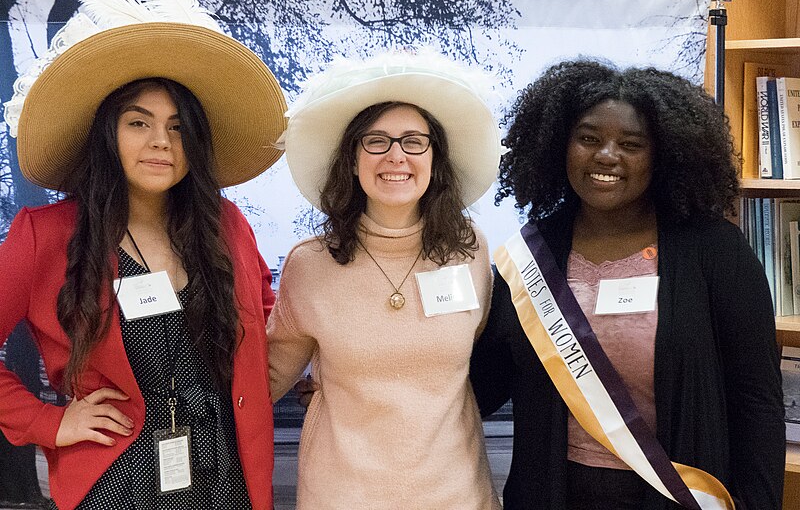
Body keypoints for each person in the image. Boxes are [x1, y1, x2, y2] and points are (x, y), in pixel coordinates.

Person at [470, 59, 785, 510]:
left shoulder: (715, 250)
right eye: (589, 139)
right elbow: (488, 381)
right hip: (552, 495)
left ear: (664, 155)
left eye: (631, 144)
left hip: (680, 496)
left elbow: (756, 401)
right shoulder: (531, 254)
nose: (606, 155)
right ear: (561, 146)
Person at [0, 21, 287, 510]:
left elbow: (270, 325)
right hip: (116, 484)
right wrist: (49, 422)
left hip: (228, 479)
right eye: (139, 122)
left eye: (178, 127)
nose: (161, 141)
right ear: (107, 134)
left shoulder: (226, 226)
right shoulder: (44, 235)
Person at [268, 50, 503, 509]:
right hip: (341, 495)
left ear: (436, 159)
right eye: (376, 141)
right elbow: (266, 378)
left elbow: (477, 356)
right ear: (352, 160)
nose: (396, 155)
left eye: (414, 141)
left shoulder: (469, 249)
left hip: (456, 494)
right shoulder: (310, 264)